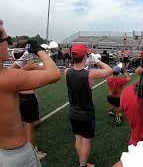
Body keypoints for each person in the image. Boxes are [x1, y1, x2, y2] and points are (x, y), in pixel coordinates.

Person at [0, 24, 60, 166]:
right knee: (30, 125)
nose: (9, 43)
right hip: (17, 155)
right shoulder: (6, 78)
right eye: (5, 39)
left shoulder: (8, 76)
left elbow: (17, 70)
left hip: (5, 153)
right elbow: (55, 74)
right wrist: (39, 50)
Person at [65, 44, 112, 167]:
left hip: (73, 112)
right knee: (86, 140)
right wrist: (96, 60)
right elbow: (109, 70)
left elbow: (76, 70)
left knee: (78, 138)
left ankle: (82, 162)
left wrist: (85, 60)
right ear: (85, 56)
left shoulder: (66, 72)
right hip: (86, 114)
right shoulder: (90, 74)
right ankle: (83, 165)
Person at [9, 44, 47, 160]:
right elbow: (51, 71)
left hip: (19, 95)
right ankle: (32, 153)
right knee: (29, 126)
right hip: (28, 96)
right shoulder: (28, 65)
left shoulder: (20, 65)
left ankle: (24, 149)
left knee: (24, 124)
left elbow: (12, 70)